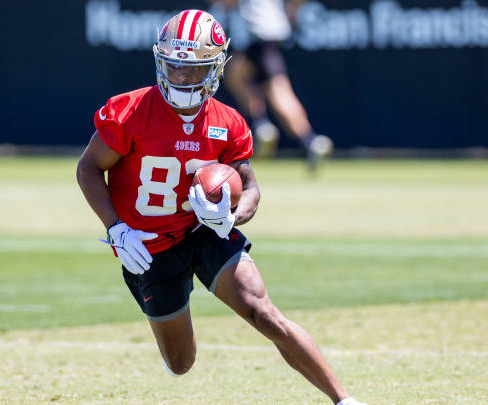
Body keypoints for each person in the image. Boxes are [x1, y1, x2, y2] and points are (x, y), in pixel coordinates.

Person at [76, 10, 366, 405]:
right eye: (174, 67)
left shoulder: (228, 122)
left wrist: (230, 216)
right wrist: (115, 228)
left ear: (216, 68)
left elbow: (250, 189)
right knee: (181, 362)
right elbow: (89, 168)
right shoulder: (129, 111)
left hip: (203, 230)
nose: (180, 78)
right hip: (146, 247)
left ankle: (345, 400)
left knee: (263, 312)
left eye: (192, 69)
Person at [209, 0, 333, 171]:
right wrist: (291, 13)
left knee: (277, 90)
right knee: (239, 76)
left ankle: (292, 135)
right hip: (271, 33)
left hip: (258, 33)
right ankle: (301, 138)